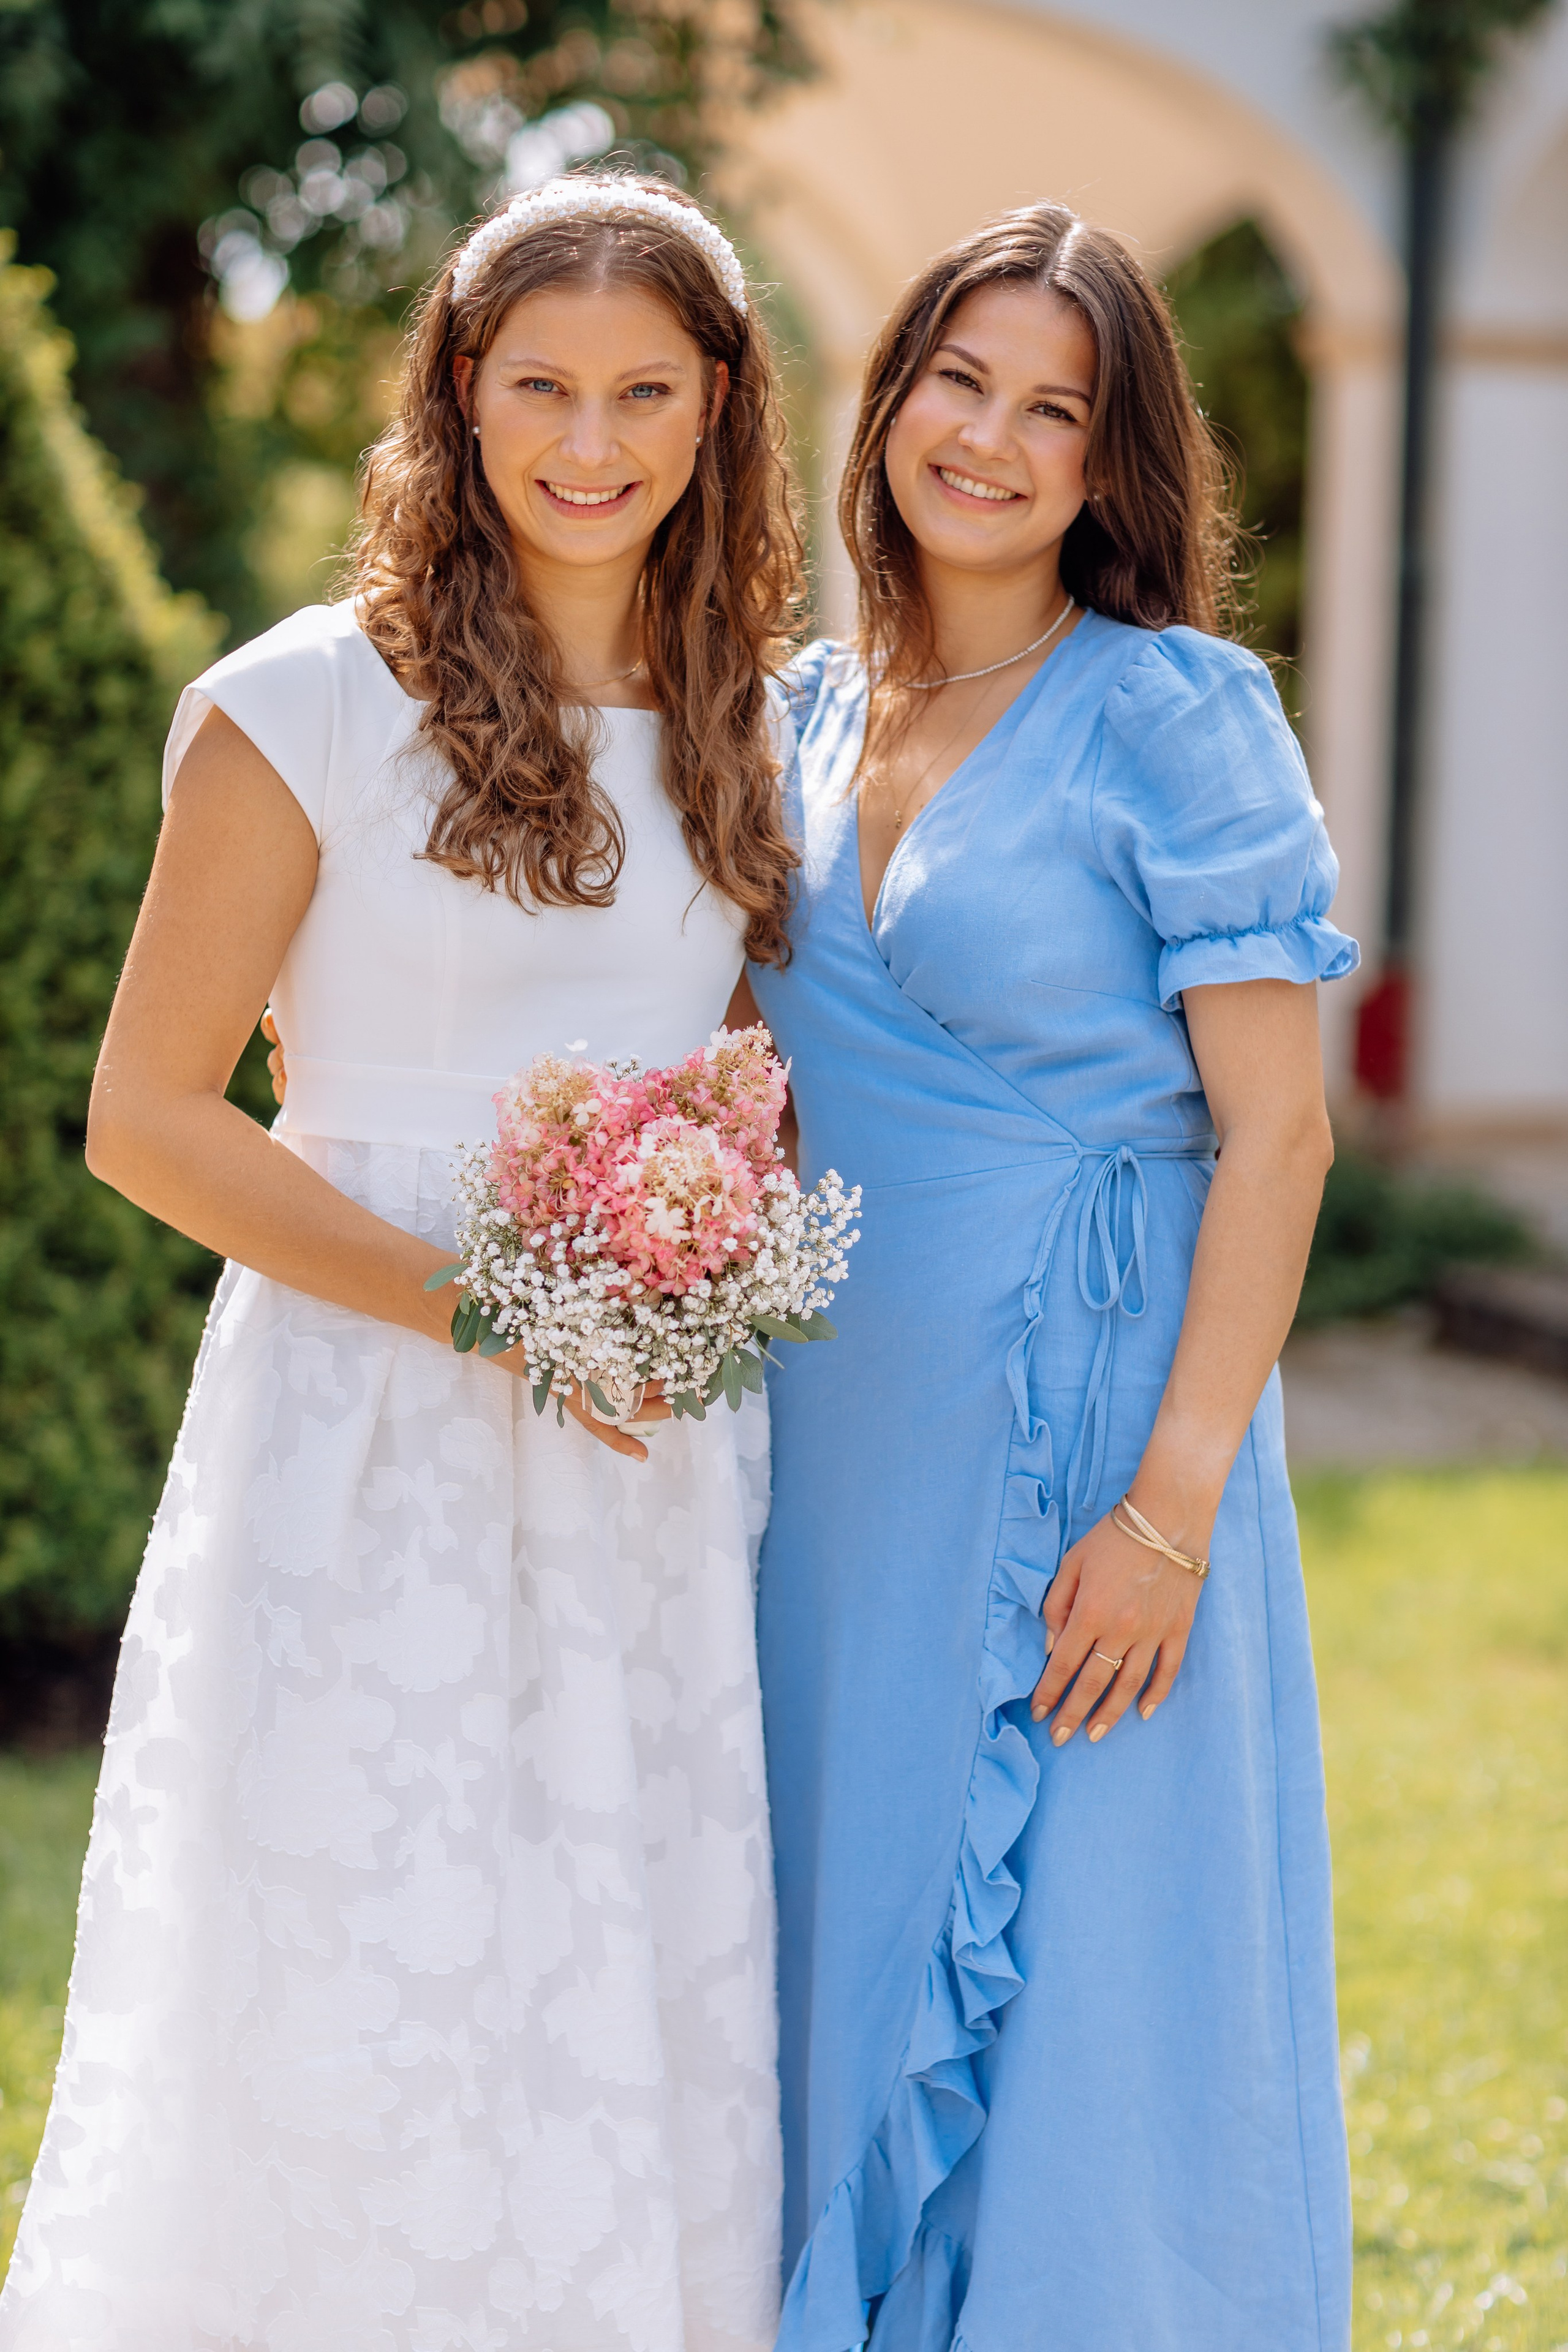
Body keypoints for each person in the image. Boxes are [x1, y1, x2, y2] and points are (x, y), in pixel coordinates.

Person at [0, 175, 800, 2352]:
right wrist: (486, 1315)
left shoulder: (743, 717)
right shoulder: (308, 706)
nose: (590, 443)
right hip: (369, 1426)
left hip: (648, 1452)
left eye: (646, 394)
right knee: (359, 1948)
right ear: (458, 386)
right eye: (540, 386)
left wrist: (699, 1235)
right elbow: (148, 1118)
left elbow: (739, 1062)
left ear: (720, 407)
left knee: (624, 1954)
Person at [747, 202, 1358, 2352]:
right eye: (959, 381)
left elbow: (1280, 1134)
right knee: (848, 1916)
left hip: (1102, 1445)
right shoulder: (794, 711)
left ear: (1113, 463)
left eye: (1054, 410)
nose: (990, 440)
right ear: (890, 394)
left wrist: (1170, 1512)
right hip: (836, 1456)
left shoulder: (1179, 713)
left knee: (1093, 1969)